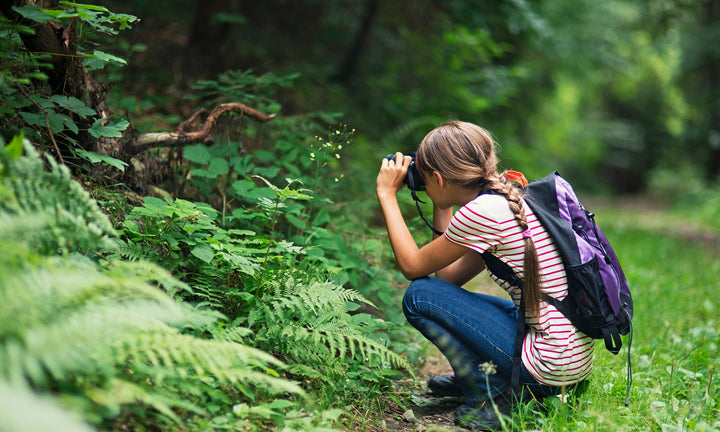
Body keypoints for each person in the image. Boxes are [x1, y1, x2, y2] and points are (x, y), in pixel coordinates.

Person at [375, 121, 594, 430]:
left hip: (552, 362)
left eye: (425, 179)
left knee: (418, 296)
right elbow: (448, 279)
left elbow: (413, 268)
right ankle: (495, 377)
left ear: (437, 178)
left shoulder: (482, 212)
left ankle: (492, 394)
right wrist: (442, 204)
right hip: (571, 357)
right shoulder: (508, 197)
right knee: (449, 298)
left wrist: (387, 195)